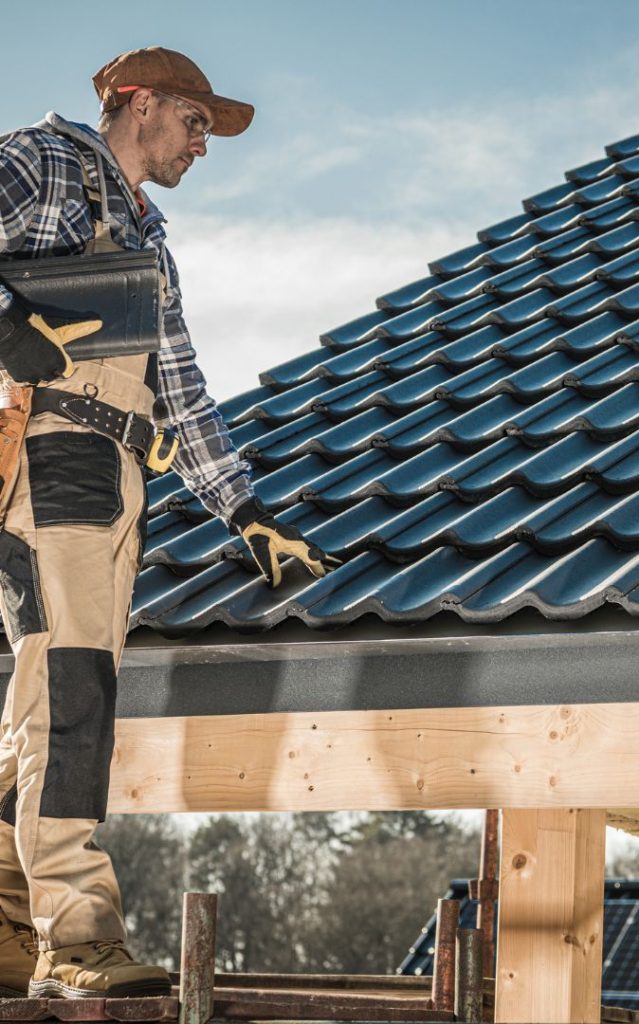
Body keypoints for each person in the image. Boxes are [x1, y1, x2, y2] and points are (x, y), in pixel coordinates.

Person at [0, 47, 336, 998]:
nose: (204, 144)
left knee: (48, 697)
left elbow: (183, 396)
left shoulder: (149, 243)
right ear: (137, 105)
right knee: (71, 691)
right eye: (195, 121)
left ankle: (8, 929)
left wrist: (249, 513)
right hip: (51, 455)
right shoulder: (46, 161)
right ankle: (77, 937)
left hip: (115, 473)